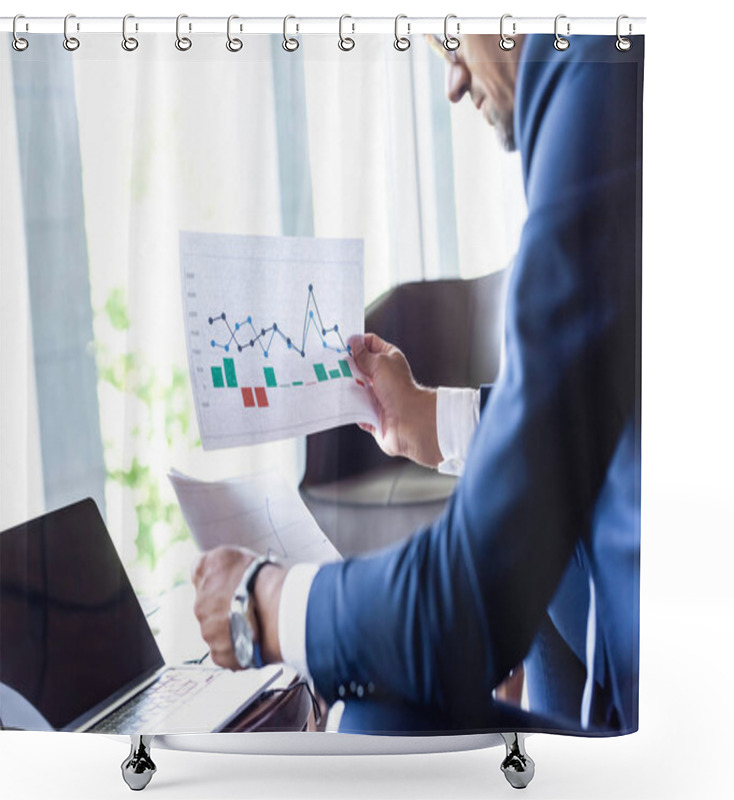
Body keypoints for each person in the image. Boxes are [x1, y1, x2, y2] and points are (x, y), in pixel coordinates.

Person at [192, 32, 642, 735]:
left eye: (451, 44)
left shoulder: (591, 62)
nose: (454, 84)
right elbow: (601, 423)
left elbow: (469, 598)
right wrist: (432, 421)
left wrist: (267, 603)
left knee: (376, 719)